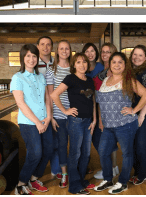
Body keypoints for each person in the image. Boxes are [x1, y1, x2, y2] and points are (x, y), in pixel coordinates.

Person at [94, 52, 146, 194]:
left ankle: (122, 182)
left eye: (120, 62)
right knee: (103, 152)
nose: (117, 65)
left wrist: (134, 110)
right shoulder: (106, 81)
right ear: (110, 65)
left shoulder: (128, 80)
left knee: (126, 154)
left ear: (125, 65)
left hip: (125, 124)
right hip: (108, 126)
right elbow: (100, 103)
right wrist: (101, 120)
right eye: (114, 62)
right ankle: (108, 180)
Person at [51, 53, 96, 195]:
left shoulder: (90, 80)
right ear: (74, 65)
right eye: (78, 62)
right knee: (75, 154)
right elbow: (54, 95)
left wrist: (94, 119)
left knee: (86, 154)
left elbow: (93, 101)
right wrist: (65, 110)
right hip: (76, 122)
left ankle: (80, 180)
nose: (82, 65)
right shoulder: (70, 78)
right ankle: (74, 186)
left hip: (88, 122)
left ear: (87, 64)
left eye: (84, 62)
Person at [10, 44, 53, 195]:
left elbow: (47, 98)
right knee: (35, 153)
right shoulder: (17, 78)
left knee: (48, 150)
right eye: (28, 56)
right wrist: (37, 122)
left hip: (44, 120)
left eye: (34, 56)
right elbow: (20, 103)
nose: (31, 59)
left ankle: (34, 179)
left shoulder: (40, 77)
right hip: (28, 123)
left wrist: (48, 117)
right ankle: (21, 183)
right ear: (22, 58)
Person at [44, 40, 72, 188]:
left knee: (75, 145)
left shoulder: (74, 68)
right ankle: (64, 174)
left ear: (70, 51)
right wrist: (52, 116)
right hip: (59, 115)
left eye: (67, 48)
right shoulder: (51, 70)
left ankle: (73, 170)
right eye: (61, 48)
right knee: (62, 145)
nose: (64, 51)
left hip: (74, 114)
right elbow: (49, 95)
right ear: (57, 51)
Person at [129, 45, 146, 186]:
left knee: (141, 143)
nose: (137, 57)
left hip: (145, 112)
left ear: (145, 58)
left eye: (140, 55)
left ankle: (143, 174)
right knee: (133, 143)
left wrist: (141, 116)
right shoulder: (130, 71)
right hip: (133, 111)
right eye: (135, 54)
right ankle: (137, 171)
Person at [92, 43, 119, 180]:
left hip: (108, 111)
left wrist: (101, 119)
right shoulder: (104, 70)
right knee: (109, 141)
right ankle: (113, 168)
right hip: (102, 109)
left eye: (108, 52)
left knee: (102, 140)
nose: (104, 54)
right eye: (103, 52)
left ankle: (109, 169)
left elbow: (105, 96)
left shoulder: (111, 71)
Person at [37, 36, 61, 180]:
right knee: (41, 145)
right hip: (39, 109)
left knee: (56, 141)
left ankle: (56, 169)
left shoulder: (56, 63)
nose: (45, 47)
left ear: (52, 47)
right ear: (38, 46)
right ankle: (37, 171)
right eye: (42, 44)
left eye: (48, 45)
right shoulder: (33, 62)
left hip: (55, 106)